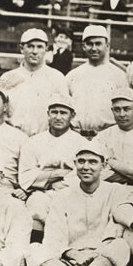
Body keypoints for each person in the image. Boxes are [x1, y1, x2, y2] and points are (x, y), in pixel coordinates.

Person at [22, 142, 131, 266]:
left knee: (121, 246)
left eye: (92, 162)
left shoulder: (117, 192)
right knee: (35, 250)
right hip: (67, 263)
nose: (86, 166)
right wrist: (75, 256)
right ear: (75, 164)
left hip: (102, 263)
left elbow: (113, 235)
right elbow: (54, 238)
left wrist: (82, 265)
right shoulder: (62, 195)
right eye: (81, 161)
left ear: (104, 165)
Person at [19, 94, 90, 243]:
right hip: (42, 192)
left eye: (63, 113)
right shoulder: (33, 141)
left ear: (72, 115)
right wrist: (58, 174)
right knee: (36, 207)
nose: (58, 117)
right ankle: (35, 249)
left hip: (71, 191)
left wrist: (46, 177)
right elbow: (25, 176)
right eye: (54, 112)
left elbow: (85, 173)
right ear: (48, 114)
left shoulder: (81, 143)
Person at [0, 28, 68, 137]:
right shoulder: (7, 77)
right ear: (21, 48)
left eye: (39, 47)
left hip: (45, 140)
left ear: (46, 49)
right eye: (30, 46)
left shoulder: (57, 78)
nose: (35, 51)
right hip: (13, 139)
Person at [94, 88, 133, 200]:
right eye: (117, 110)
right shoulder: (103, 136)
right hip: (106, 192)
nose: (122, 114)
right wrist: (131, 174)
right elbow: (96, 172)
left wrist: (111, 162)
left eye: (127, 109)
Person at [66, 25, 127, 138]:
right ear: (83, 46)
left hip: (108, 136)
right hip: (77, 135)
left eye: (98, 43)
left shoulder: (119, 76)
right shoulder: (72, 75)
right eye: (89, 44)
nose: (94, 48)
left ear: (107, 46)